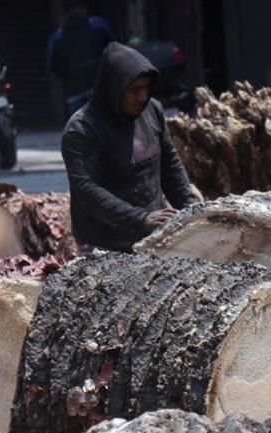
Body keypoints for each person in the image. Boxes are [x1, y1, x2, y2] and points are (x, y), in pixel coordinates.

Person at [61, 42, 197, 252]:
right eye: (134, 90)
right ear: (114, 89)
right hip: (103, 244)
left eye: (145, 88)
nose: (142, 97)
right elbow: (86, 189)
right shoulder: (81, 129)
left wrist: (190, 209)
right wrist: (139, 218)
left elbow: (169, 164)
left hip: (151, 235)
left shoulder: (152, 111)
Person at [47, 1, 113, 119]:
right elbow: (113, 49)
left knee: (79, 126)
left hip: (74, 89)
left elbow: (54, 66)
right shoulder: (98, 26)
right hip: (98, 84)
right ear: (84, 9)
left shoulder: (57, 37)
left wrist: (68, 77)